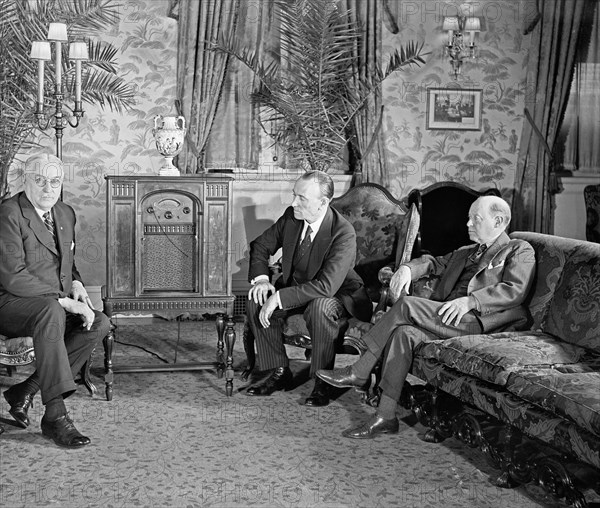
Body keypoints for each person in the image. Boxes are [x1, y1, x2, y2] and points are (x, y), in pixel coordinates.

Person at [317, 195, 536, 438]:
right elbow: (433, 262)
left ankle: (359, 370)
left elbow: (514, 290)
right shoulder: (466, 252)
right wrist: (407, 269)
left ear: (498, 221)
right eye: (469, 218)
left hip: (482, 323)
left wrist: (471, 301)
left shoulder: (518, 249)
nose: (468, 224)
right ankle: (385, 416)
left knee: (406, 306)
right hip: (449, 318)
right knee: (403, 334)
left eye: (476, 218)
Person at [0, 153, 110, 447]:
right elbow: (13, 277)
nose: (48, 188)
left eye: (55, 181)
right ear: (25, 181)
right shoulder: (9, 213)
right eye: (40, 180)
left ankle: (27, 388)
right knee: (52, 311)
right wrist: (63, 302)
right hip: (11, 303)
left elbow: (66, 263)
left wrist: (76, 285)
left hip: (51, 303)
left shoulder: (64, 212)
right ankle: (56, 416)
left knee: (99, 322)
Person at [245, 170, 372, 406]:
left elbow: (326, 286)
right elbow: (260, 245)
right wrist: (262, 279)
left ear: (322, 202)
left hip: (338, 296)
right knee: (256, 298)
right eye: (294, 195)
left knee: (320, 306)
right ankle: (278, 372)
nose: (293, 202)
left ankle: (323, 381)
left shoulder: (343, 233)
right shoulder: (292, 216)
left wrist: (280, 297)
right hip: (299, 289)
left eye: (301, 198)